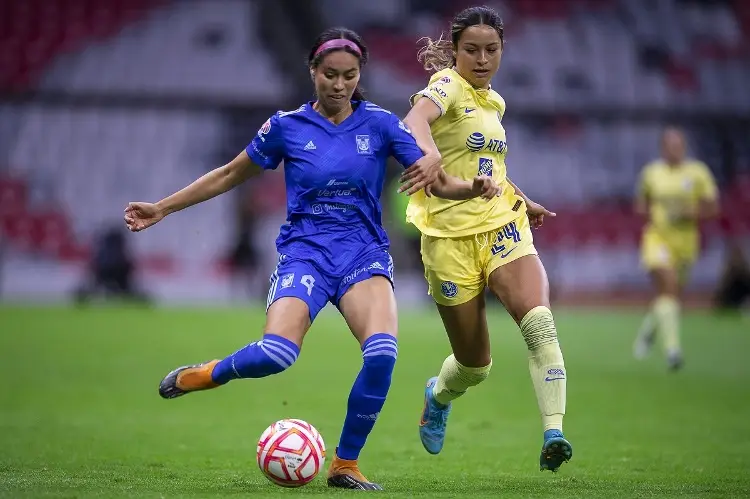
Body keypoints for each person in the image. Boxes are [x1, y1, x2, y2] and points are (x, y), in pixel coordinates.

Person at [124, 27, 501, 490]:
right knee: (277, 354)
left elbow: (437, 181)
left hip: (362, 254)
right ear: (313, 72)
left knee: (382, 354)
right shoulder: (286, 127)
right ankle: (207, 374)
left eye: (349, 75)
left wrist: (472, 187)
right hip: (305, 255)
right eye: (329, 75)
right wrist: (162, 207)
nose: (339, 84)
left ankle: (345, 464)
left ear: (359, 75)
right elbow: (228, 174)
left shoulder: (382, 124)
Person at [399, 6, 573, 472]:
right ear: (454, 52)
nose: (481, 59)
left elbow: (492, 171)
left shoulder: (493, 102)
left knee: (539, 324)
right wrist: (431, 153)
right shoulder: (447, 87)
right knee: (475, 365)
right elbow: (414, 121)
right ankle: (437, 396)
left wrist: (524, 198)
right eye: (471, 50)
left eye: (491, 50)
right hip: (448, 240)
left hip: (502, 225)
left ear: (502, 52)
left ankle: (553, 431)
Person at [633, 127, 719, 369]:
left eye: (678, 145)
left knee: (670, 296)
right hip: (657, 238)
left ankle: (649, 330)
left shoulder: (698, 173)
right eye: (669, 145)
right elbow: (641, 204)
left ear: (684, 147)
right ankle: (673, 351)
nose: (674, 150)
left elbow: (713, 207)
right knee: (668, 285)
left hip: (686, 242)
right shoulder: (652, 173)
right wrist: (654, 214)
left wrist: (692, 212)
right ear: (663, 148)